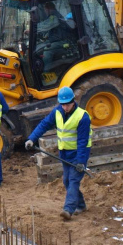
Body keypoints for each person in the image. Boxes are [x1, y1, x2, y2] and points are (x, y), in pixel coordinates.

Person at [25, 86, 91, 221]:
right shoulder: (57, 112)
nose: (65, 107)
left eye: (68, 104)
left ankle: (68, 209)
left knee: (73, 180)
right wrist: (32, 138)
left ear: (73, 101)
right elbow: (44, 124)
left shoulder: (82, 117)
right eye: (63, 104)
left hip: (78, 153)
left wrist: (80, 161)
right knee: (67, 181)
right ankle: (81, 205)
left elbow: (83, 141)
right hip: (64, 153)